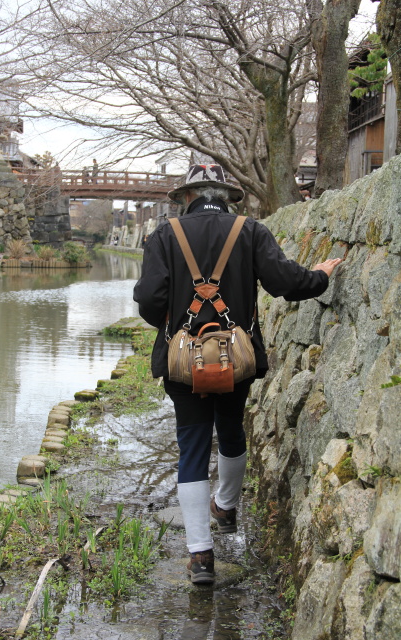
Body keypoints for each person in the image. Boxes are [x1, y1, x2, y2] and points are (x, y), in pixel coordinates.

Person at [133, 164, 341, 585]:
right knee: (231, 431)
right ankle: (225, 507)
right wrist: (320, 275)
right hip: (237, 357)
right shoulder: (250, 231)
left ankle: (200, 557)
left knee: (191, 444)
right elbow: (286, 281)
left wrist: (178, 329)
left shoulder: (164, 234)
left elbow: (149, 301)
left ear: (186, 196)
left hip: (182, 364)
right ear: (226, 196)